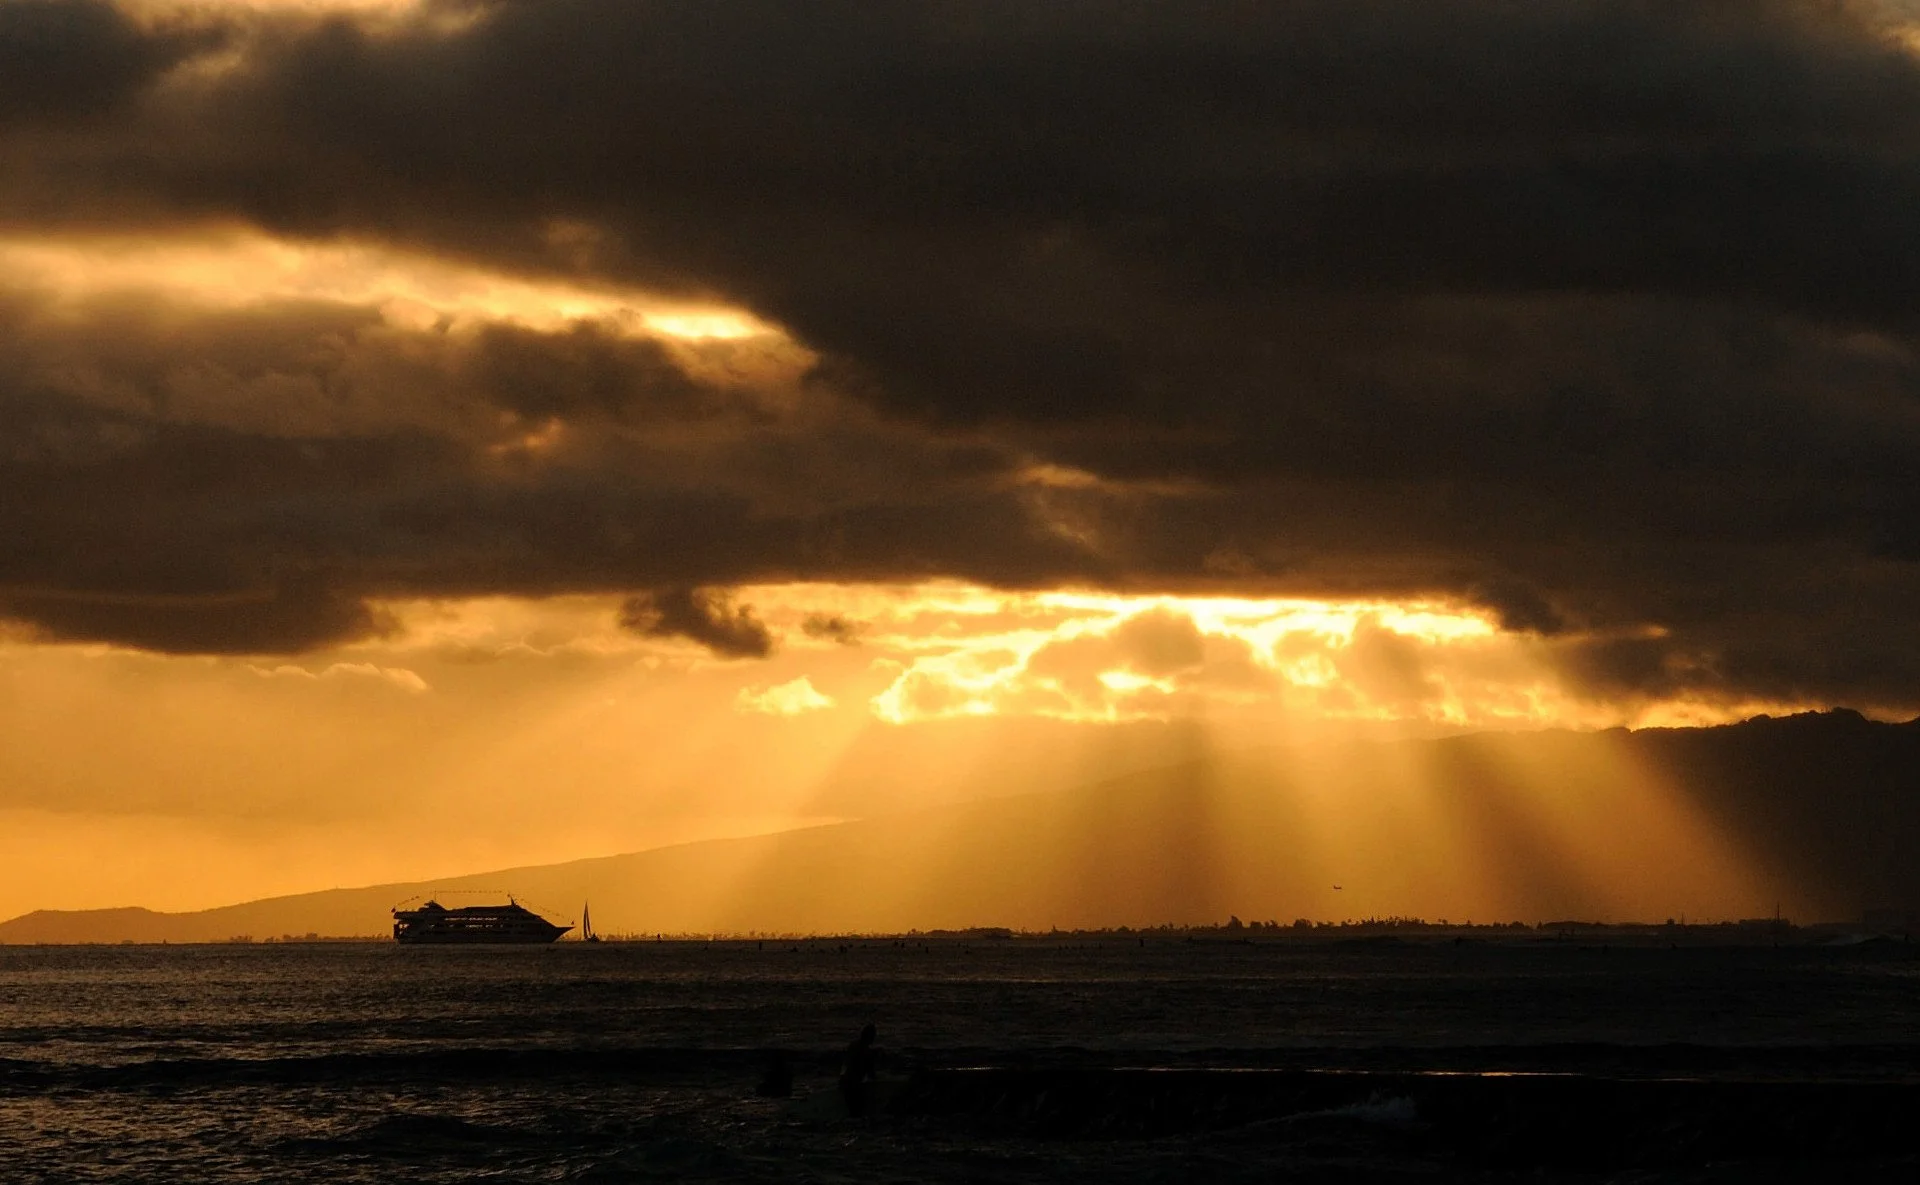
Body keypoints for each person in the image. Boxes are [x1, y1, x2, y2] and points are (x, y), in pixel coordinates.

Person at [838, 1023, 879, 1117]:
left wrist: (841, 1078)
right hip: (855, 1086)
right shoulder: (867, 1052)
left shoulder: (853, 1046)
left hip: (846, 1082)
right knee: (857, 1111)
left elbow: (845, 1064)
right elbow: (871, 1073)